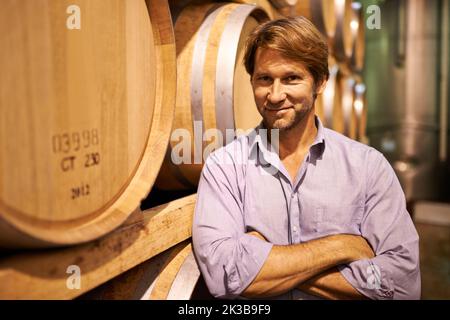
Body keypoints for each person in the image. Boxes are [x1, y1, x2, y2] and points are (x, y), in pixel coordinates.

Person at [191, 16, 420, 300]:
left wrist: (265, 260)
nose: (275, 95)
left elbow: (401, 286)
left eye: (291, 78)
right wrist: (340, 247)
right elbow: (224, 276)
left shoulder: (367, 167)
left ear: (320, 82)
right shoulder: (224, 167)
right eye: (264, 79)